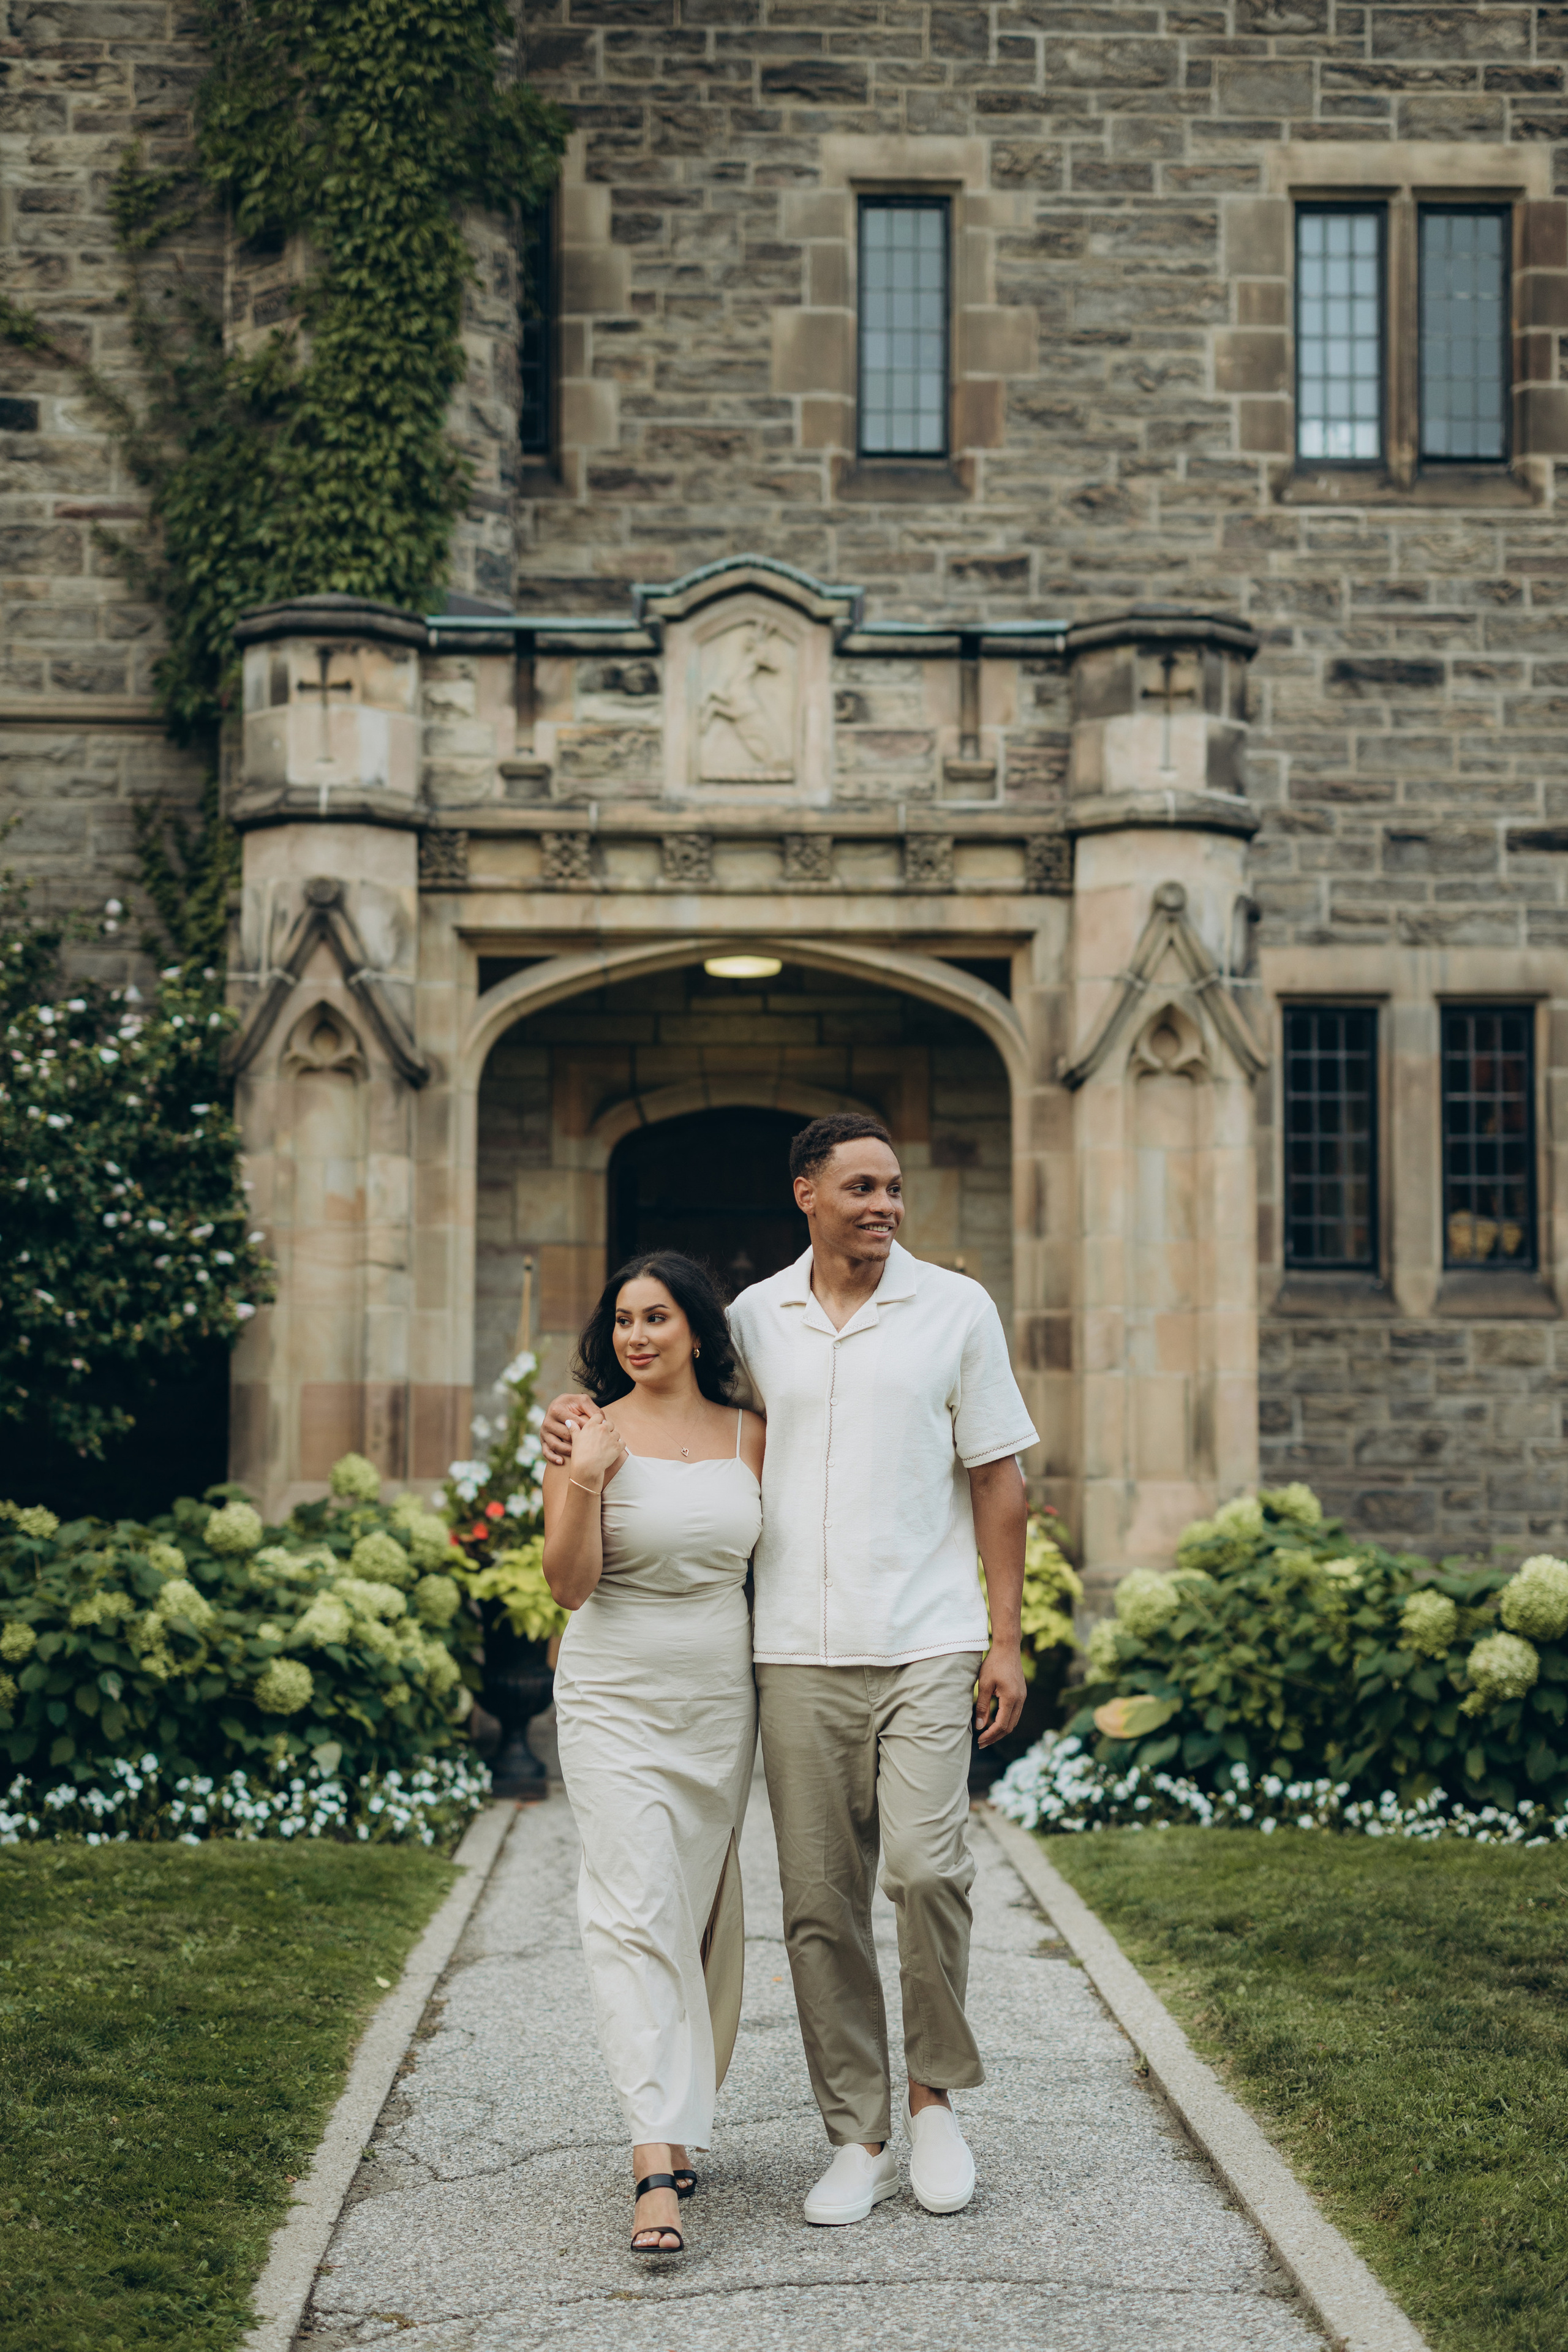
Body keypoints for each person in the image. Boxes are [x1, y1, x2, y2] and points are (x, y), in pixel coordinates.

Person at [543, 1112, 1038, 2228]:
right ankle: (858, 2135)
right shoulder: (757, 1320)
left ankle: (934, 2103)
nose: (886, 1205)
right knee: (818, 1905)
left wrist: (1004, 1639)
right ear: (806, 1192)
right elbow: (676, 1407)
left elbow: (998, 1479)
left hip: (927, 1636)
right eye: (862, 1187)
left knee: (927, 1870)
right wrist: (577, 1420)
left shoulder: (957, 1308)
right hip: (793, 1651)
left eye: (895, 1188)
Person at [541, 1250, 764, 2260]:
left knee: (696, 1907)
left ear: (699, 1331)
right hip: (613, 1693)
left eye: (658, 1317)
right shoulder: (585, 1432)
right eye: (624, 1319)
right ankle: (653, 2166)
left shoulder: (754, 1434)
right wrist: (586, 1478)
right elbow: (568, 1586)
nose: (637, 1335)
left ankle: (680, 2113)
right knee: (632, 1911)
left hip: (716, 1698)